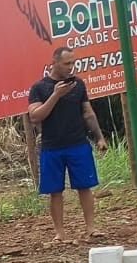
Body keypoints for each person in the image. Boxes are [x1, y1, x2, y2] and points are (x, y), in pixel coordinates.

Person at [27, 46, 106, 242]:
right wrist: (55, 95)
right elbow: (35, 116)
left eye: (73, 63)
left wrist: (99, 137)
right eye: (66, 64)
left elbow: (88, 112)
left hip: (77, 143)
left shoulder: (78, 84)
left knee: (85, 187)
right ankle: (60, 232)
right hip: (52, 146)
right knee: (55, 191)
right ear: (53, 62)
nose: (71, 67)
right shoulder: (39, 87)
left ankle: (91, 228)